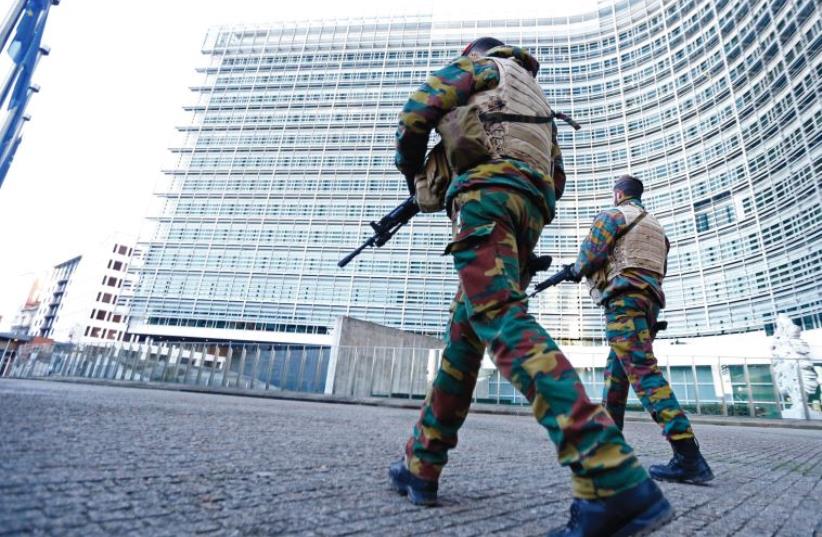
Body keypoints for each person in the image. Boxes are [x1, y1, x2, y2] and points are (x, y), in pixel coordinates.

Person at [388, 38, 674, 537]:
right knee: (466, 335)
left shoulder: (480, 69)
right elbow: (557, 179)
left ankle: (610, 475)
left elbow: (418, 109)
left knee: (497, 315)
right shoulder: (538, 98)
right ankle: (422, 462)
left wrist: (414, 170)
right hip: (529, 213)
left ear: (479, 52)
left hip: (487, 201)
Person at [570, 174, 713, 484]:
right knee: (617, 375)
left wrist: (575, 270)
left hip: (624, 302)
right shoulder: (657, 229)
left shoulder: (613, 215)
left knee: (643, 374)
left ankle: (688, 455)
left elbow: (590, 257)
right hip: (649, 304)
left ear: (619, 194)